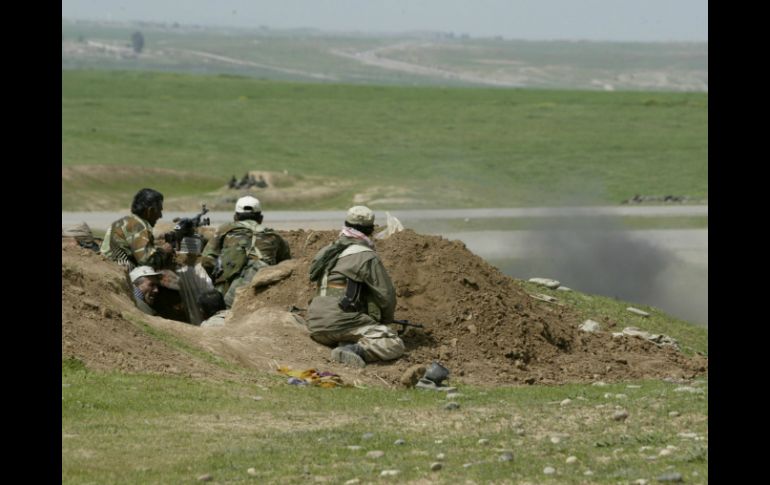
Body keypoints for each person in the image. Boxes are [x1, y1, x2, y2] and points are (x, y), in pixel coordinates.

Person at [305, 206, 404, 368]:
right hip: (341, 323)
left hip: (315, 326)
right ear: (371, 230)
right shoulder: (366, 255)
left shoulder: (327, 251)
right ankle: (354, 350)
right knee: (394, 343)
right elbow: (386, 295)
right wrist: (385, 323)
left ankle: (344, 343)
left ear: (346, 224)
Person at [201, 196, 291, 308]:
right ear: (260, 218)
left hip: (229, 294)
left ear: (235, 217)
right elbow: (286, 264)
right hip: (263, 291)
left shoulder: (225, 229)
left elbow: (206, 260)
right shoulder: (275, 236)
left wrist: (217, 278)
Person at [100, 188, 175, 271]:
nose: (160, 216)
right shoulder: (136, 226)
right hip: (117, 269)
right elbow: (147, 262)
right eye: (159, 211)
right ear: (149, 211)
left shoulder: (128, 221)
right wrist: (164, 251)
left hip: (110, 265)